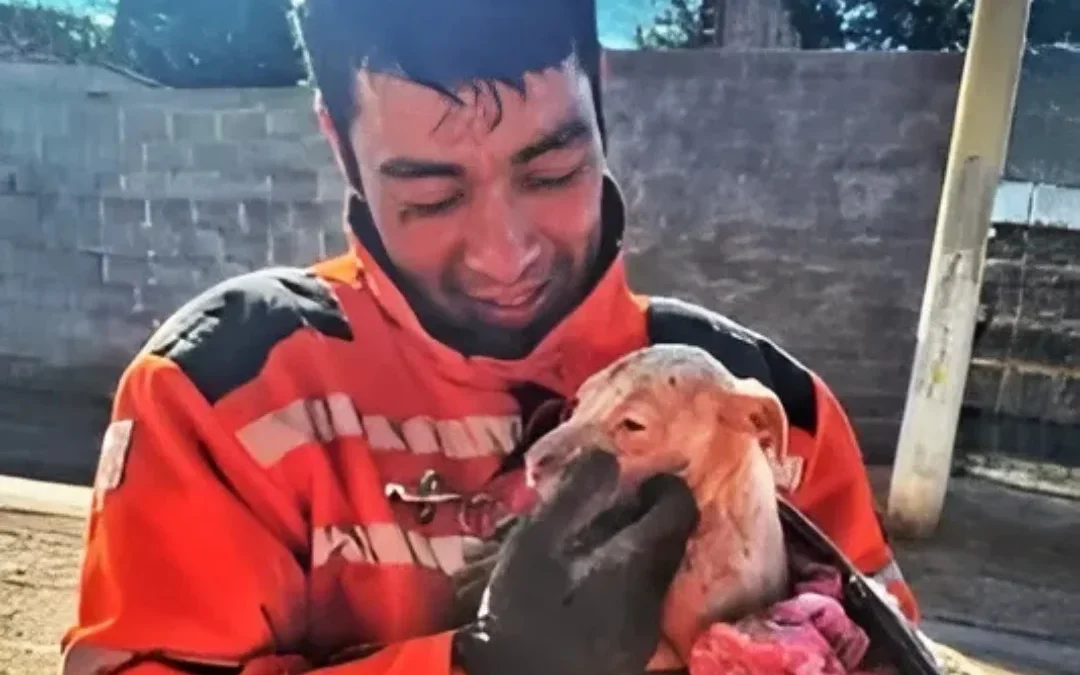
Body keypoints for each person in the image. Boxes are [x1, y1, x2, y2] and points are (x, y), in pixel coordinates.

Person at [60, 0, 920, 673]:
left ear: (600, 97)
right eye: (431, 196)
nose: (505, 255)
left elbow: (883, 648)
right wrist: (476, 666)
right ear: (339, 143)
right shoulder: (223, 392)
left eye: (552, 172)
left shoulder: (766, 410)